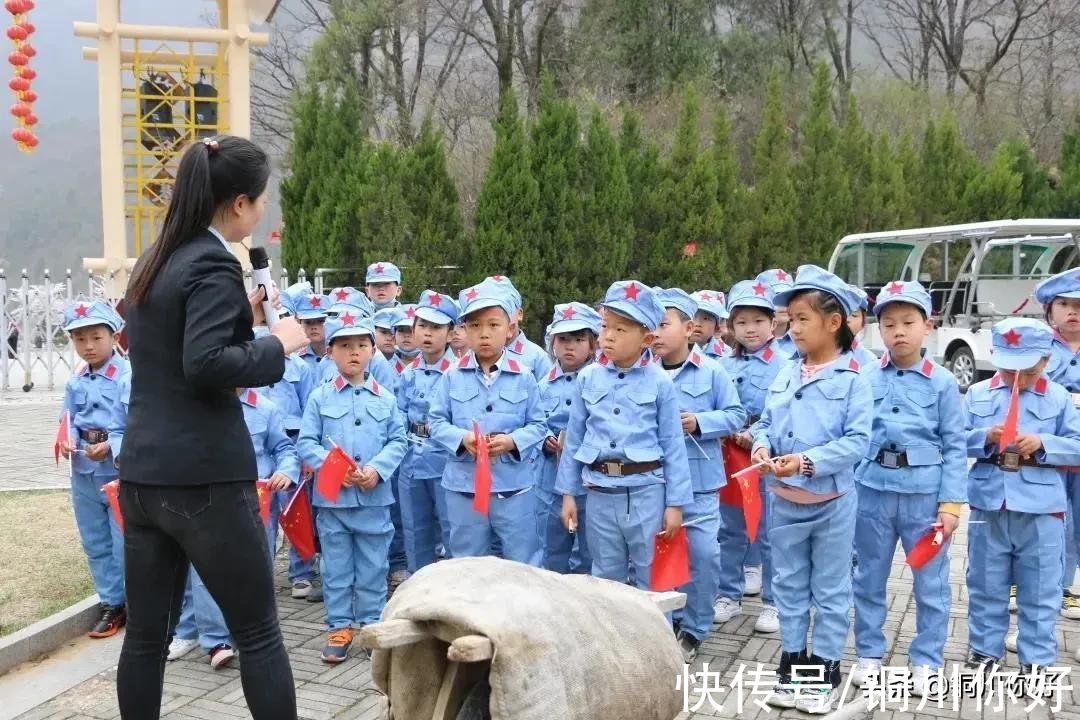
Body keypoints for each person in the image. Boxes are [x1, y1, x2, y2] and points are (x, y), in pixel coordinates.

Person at [117, 135, 308, 719]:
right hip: (203, 478)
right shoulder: (211, 262)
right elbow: (203, 366)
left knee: (146, 637)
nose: (261, 212)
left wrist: (237, 320)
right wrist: (277, 344)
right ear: (237, 204)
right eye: (260, 201)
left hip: (144, 475)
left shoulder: (158, 259)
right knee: (257, 633)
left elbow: (172, 350)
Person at [751, 265, 872, 714]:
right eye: (791, 319)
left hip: (831, 503)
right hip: (784, 502)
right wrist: (762, 446)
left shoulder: (853, 379)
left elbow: (858, 442)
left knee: (830, 589)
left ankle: (821, 674)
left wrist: (806, 462)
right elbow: (765, 422)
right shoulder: (785, 372)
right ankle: (791, 668)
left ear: (834, 323)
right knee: (788, 588)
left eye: (803, 319)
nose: (793, 328)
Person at [849, 281, 965, 698]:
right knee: (868, 576)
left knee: (929, 582)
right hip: (871, 491)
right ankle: (868, 654)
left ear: (927, 326)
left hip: (923, 497)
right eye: (889, 323)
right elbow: (853, 434)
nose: (898, 331)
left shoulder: (943, 384)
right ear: (878, 328)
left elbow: (955, 446)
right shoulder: (862, 376)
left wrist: (951, 504)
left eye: (908, 322)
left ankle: (928, 660)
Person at [962, 317, 1080, 679]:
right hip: (989, 501)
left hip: (1042, 506)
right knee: (985, 582)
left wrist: (1044, 443)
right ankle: (984, 651)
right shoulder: (978, 394)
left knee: (1042, 587)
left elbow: (1077, 447)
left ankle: (1038, 659)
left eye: (1027, 372)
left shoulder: (1059, 398)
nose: (1018, 381)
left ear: (1046, 360)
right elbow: (953, 441)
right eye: (1010, 370)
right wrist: (984, 436)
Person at [556, 281, 693, 590]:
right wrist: (567, 493)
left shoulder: (660, 383)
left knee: (653, 576)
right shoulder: (587, 378)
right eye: (605, 326)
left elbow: (673, 446)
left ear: (646, 338)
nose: (608, 336)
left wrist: (675, 505)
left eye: (621, 330)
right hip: (600, 491)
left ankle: (655, 638)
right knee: (605, 577)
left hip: (646, 492)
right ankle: (612, 640)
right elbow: (574, 437)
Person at [297, 315, 408, 663]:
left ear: (373, 350)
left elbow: (398, 440)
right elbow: (306, 443)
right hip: (333, 501)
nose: (354, 352)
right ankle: (340, 626)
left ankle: (371, 625)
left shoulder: (386, 399)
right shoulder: (319, 397)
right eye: (345, 346)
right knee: (337, 567)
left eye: (361, 345)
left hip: (374, 499)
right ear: (330, 352)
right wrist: (333, 467)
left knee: (375, 566)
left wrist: (376, 469)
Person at [652, 287, 745, 663]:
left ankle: (695, 627)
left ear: (690, 328)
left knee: (703, 554)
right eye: (650, 324)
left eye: (663, 323)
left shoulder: (713, 372)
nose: (655, 332)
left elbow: (736, 415)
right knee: (659, 552)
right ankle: (665, 623)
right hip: (653, 480)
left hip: (700, 481)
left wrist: (699, 421)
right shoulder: (640, 372)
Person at [428, 280, 547, 563]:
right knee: (467, 562)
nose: (484, 334)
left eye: (493, 325)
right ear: (464, 331)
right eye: (475, 326)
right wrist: (461, 438)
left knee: (523, 561)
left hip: (513, 487)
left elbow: (539, 425)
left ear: (509, 329)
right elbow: (435, 422)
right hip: (465, 488)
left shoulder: (525, 376)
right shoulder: (451, 376)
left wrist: (512, 441)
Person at [716, 280, 786, 635]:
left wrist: (758, 436)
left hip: (766, 460)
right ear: (730, 327)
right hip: (729, 456)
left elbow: (784, 414)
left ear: (773, 324)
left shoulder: (786, 365)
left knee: (770, 531)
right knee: (730, 530)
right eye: (741, 322)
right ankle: (728, 594)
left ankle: (774, 602)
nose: (750, 329)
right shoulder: (722, 367)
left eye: (758, 321)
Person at [58, 298, 130, 638]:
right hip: (83, 470)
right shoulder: (76, 381)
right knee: (95, 541)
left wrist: (113, 446)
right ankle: (111, 603)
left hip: (117, 473)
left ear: (114, 335)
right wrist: (68, 436)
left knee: (123, 542)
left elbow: (139, 423)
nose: (87, 346)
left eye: (95, 337)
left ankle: (137, 603)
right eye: (79, 339)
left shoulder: (128, 376)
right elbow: (68, 417)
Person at [396, 290, 459, 571]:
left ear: (451, 332)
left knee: (452, 529)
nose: (428, 334)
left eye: (436, 327)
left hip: (447, 464)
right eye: (422, 326)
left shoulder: (458, 374)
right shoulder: (407, 374)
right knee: (414, 530)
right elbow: (397, 416)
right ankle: (417, 582)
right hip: (412, 462)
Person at [537, 302, 601, 574]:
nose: (569, 346)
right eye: (563, 339)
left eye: (578, 339)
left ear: (593, 343)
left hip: (590, 477)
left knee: (591, 549)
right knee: (551, 546)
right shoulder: (540, 385)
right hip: (550, 477)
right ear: (552, 342)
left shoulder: (602, 381)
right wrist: (544, 438)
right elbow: (532, 421)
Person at [1033, 268, 1080, 625]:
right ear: (1050, 311)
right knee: (1049, 529)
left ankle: (1073, 591)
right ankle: (1045, 593)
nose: (1073, 312)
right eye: (1064, 304)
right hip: (1048, 457)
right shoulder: (1037, 348)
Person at [757, 269, 796, 358]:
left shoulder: (803, 341)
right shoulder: (750, 344)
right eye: (776, 297)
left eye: (788, 297)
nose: (784, 304)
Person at [691, 290, 730, 359]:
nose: (697, 324)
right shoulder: (672, 349)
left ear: (717, 328)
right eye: (693, 316)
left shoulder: (726, 356)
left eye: (706, 319)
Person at [846, 285, 877, 369]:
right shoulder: (810, 355)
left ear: (863, 322)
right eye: (842, 313)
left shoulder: (869, 361)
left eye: (854, 315)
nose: (847, 319)